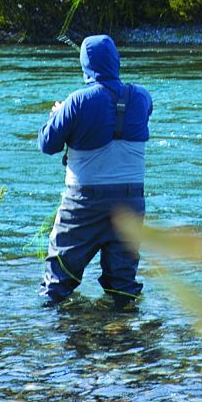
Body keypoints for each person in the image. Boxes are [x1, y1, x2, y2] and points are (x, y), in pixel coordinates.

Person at [38, 34, 153, 308]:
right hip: (131, 202)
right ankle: (124, 331)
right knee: (123, 288)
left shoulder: (77, 101)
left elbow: (47, 144)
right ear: (116, 61)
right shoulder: (142, 96)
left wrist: (58, 115)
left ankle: (52, 331)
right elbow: (132, 116)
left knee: (57, 284)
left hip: (83, 204)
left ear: (85, 65)